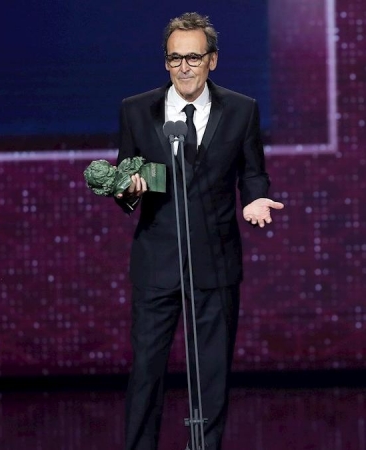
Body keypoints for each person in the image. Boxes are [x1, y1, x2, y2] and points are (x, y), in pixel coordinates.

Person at [114, 12, 284, 450]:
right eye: (175, 59)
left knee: (211, 373)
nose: (184, 67)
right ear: (166, 63)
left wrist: (255, 198)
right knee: (147, 371)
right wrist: (126, 189)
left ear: (212, 60)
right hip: (157, 262)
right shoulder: (136, 110)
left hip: (215, 260)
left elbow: (253, 173)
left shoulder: (241, 109)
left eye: (193, 57)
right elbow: (126, 182)